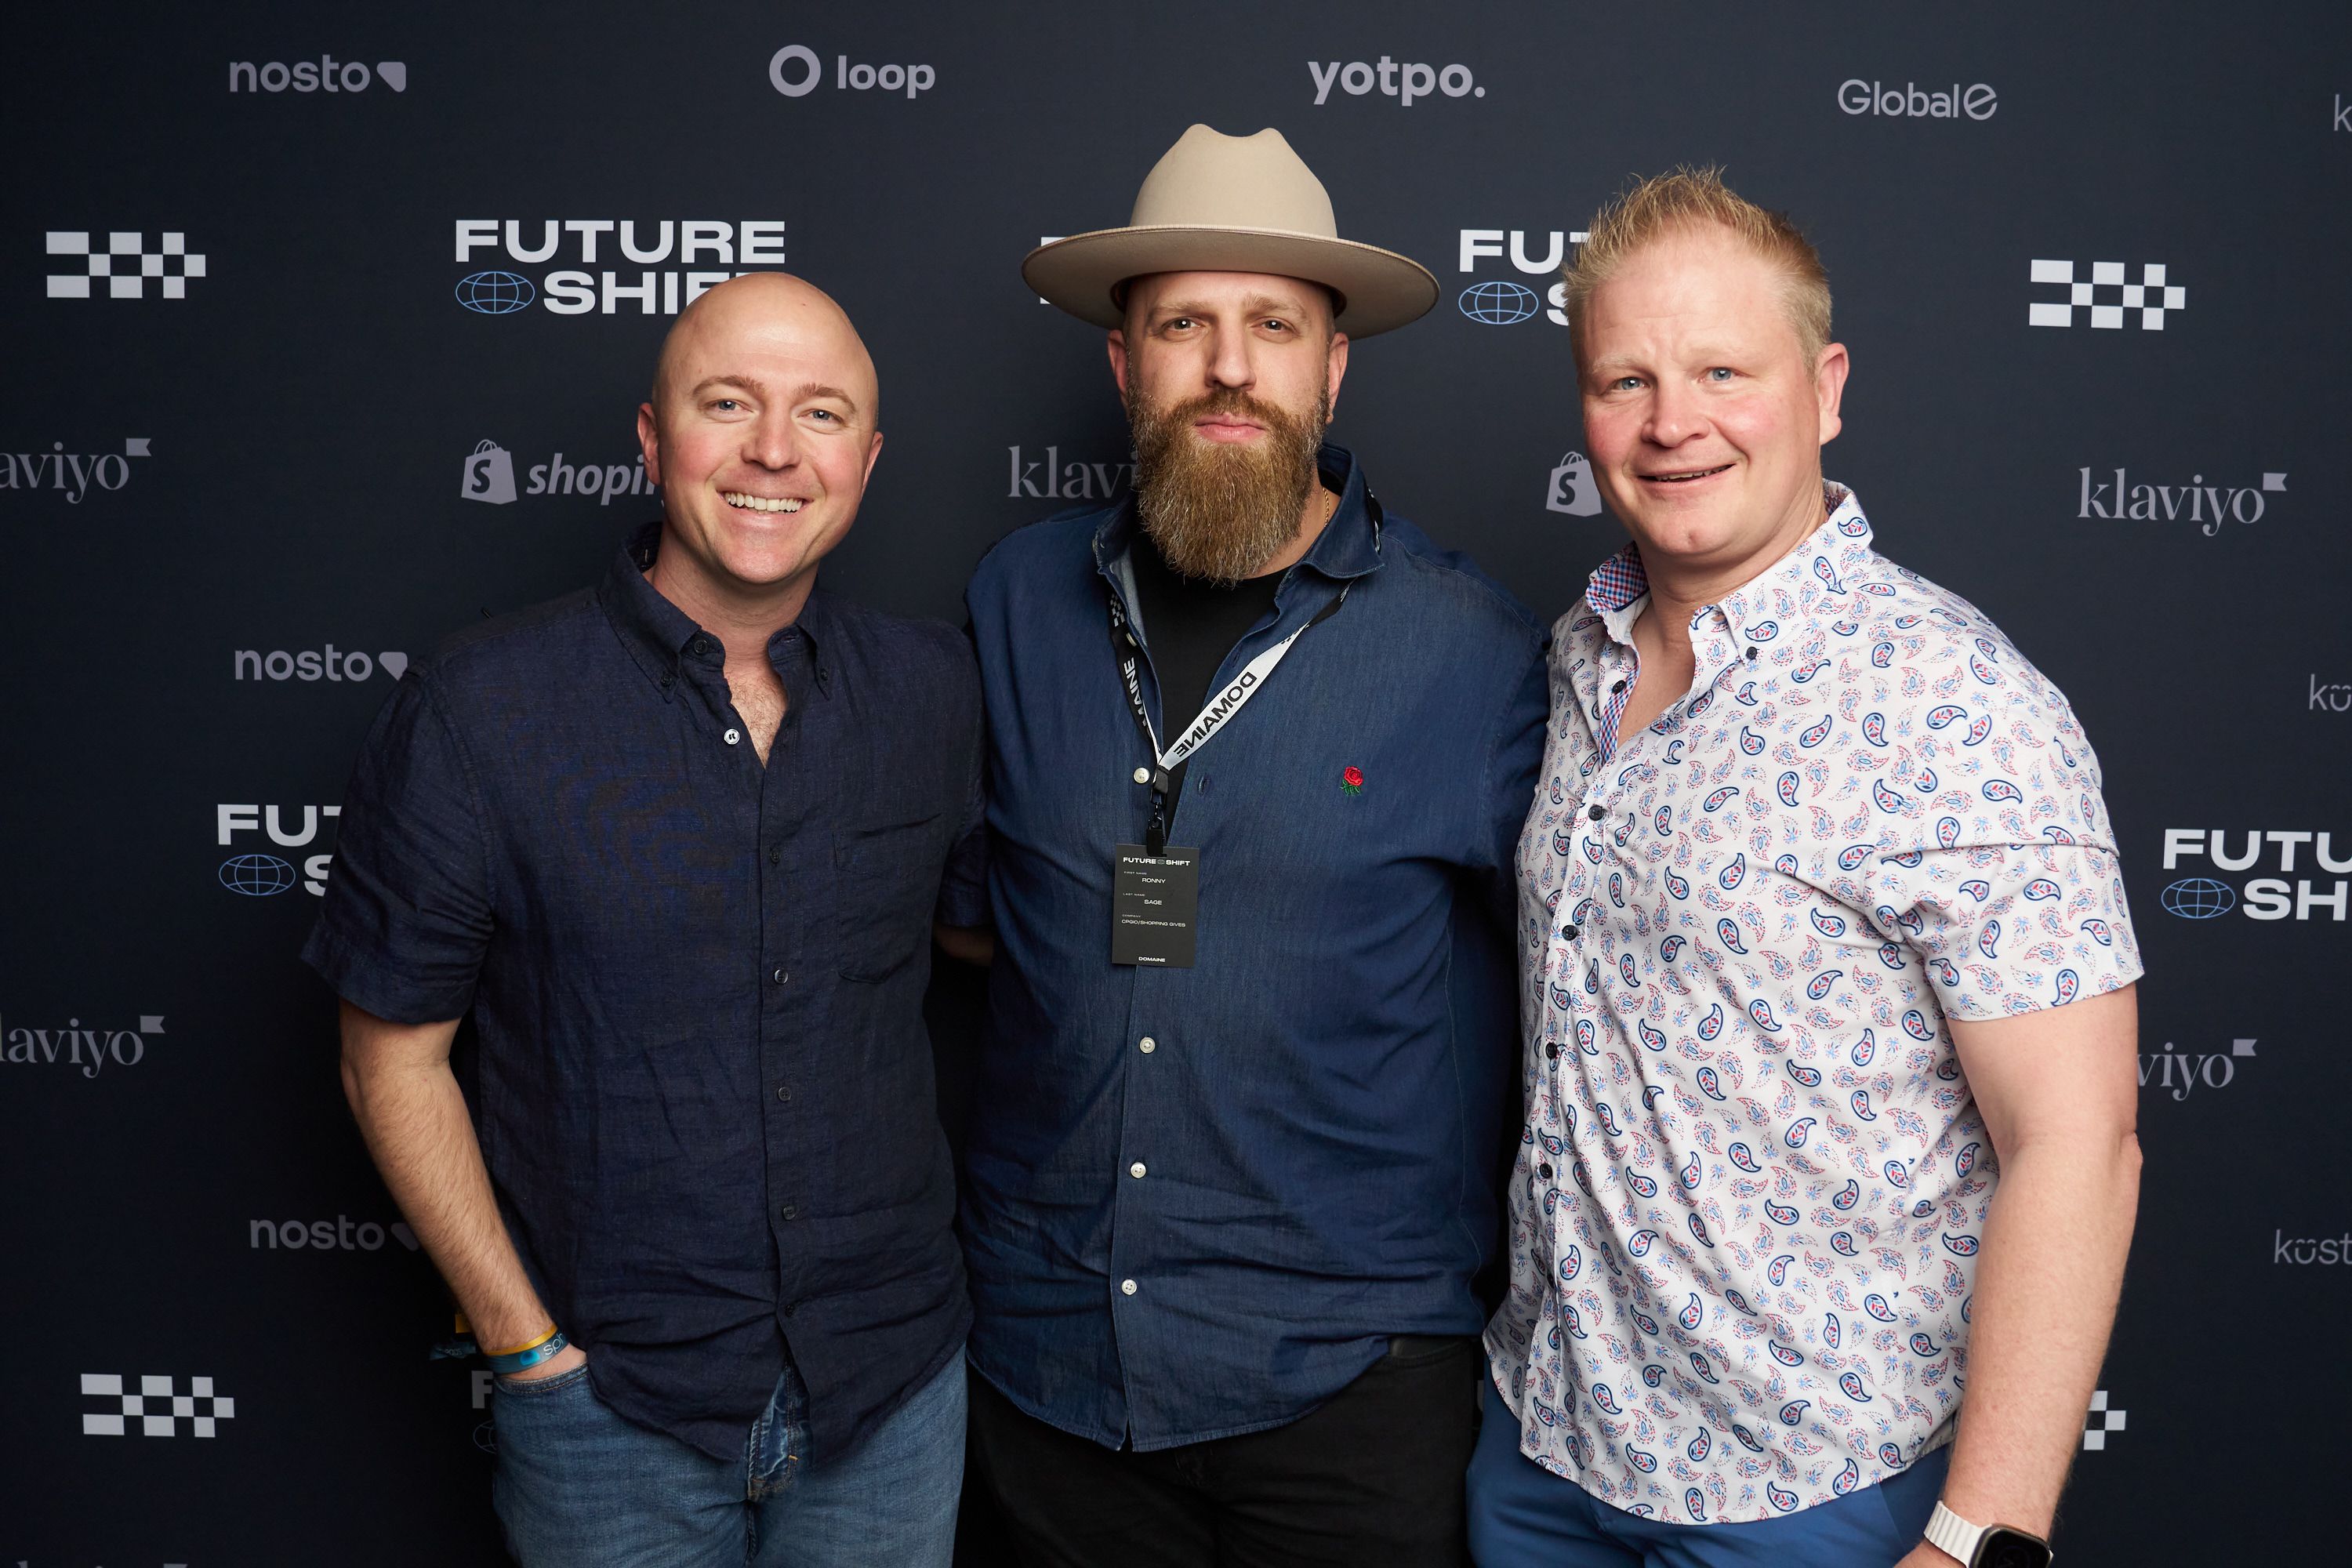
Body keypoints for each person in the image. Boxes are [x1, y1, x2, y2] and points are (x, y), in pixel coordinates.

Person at [1470, 169, 2143, 1568]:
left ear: (1826, 389)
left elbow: (2078, 1145)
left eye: (1725, 369)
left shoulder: (1955, 702)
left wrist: (1979, 1539)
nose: (1673, 425)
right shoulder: (1574, 656)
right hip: (1547, 1446)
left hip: (1819, 1493)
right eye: (1626, 380)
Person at [305, 273, 981, 1567]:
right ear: (652, 434)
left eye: (821, 414)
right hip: (611, 1416)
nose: (775, 450)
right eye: (728, 404)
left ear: (869, 457)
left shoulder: (934, 690)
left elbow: (972, 936)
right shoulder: (479, 709)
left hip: (890, 1397)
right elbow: (387, 1056)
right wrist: (526, 1350)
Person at [942, 124, 1548, 1567]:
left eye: (1273, 326)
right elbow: (968, 921)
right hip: (1046, 1375)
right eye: (1184, 325)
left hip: (1347, 1387)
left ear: (1332, 367)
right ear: (1122, 362)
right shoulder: (1016, 603)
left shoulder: (1471, 654)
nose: (1229, 365)